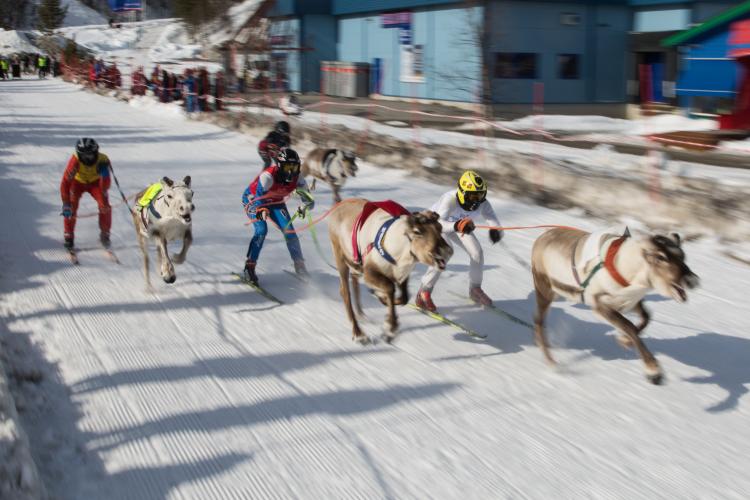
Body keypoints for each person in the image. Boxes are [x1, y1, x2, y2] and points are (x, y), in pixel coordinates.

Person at [415, 170, 504, 312]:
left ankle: (475, 289)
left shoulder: (481, 202)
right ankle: (423, 291)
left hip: (458, 227)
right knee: (444, 253)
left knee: (477, 253)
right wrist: (457, 225)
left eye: (480, 195)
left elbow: (491, 216)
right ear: (462, 193)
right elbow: (440, 224)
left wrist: (495, 229)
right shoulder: (449, 199)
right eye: (473, 195)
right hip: (434, 225)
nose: (477, 200)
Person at [241, 148, 314, 284]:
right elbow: (258, 198)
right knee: (262, 230)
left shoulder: (298, 177)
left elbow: (309, 200)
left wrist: (305, 206)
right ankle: (249, 266)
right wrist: (262, 209)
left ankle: (300, 266)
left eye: (294, 167)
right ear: (280, 166)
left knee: (290, 232)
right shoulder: (268, 176)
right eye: (288, 167)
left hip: (276, 202)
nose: (291, 171)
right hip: (254, 200)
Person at [60, 138, 112, 250]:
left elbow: (106, 187)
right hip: (77, 182)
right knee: (71, 207)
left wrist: (104, 174)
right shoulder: (75, 161)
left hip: (96, 183)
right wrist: (65, 203)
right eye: (83, 156)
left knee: (105, 206)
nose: (87, 158)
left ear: (95, 152)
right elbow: (65, 182)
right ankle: (69, 235)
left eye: (89, 155)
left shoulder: (103, 159)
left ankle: (105, 233)